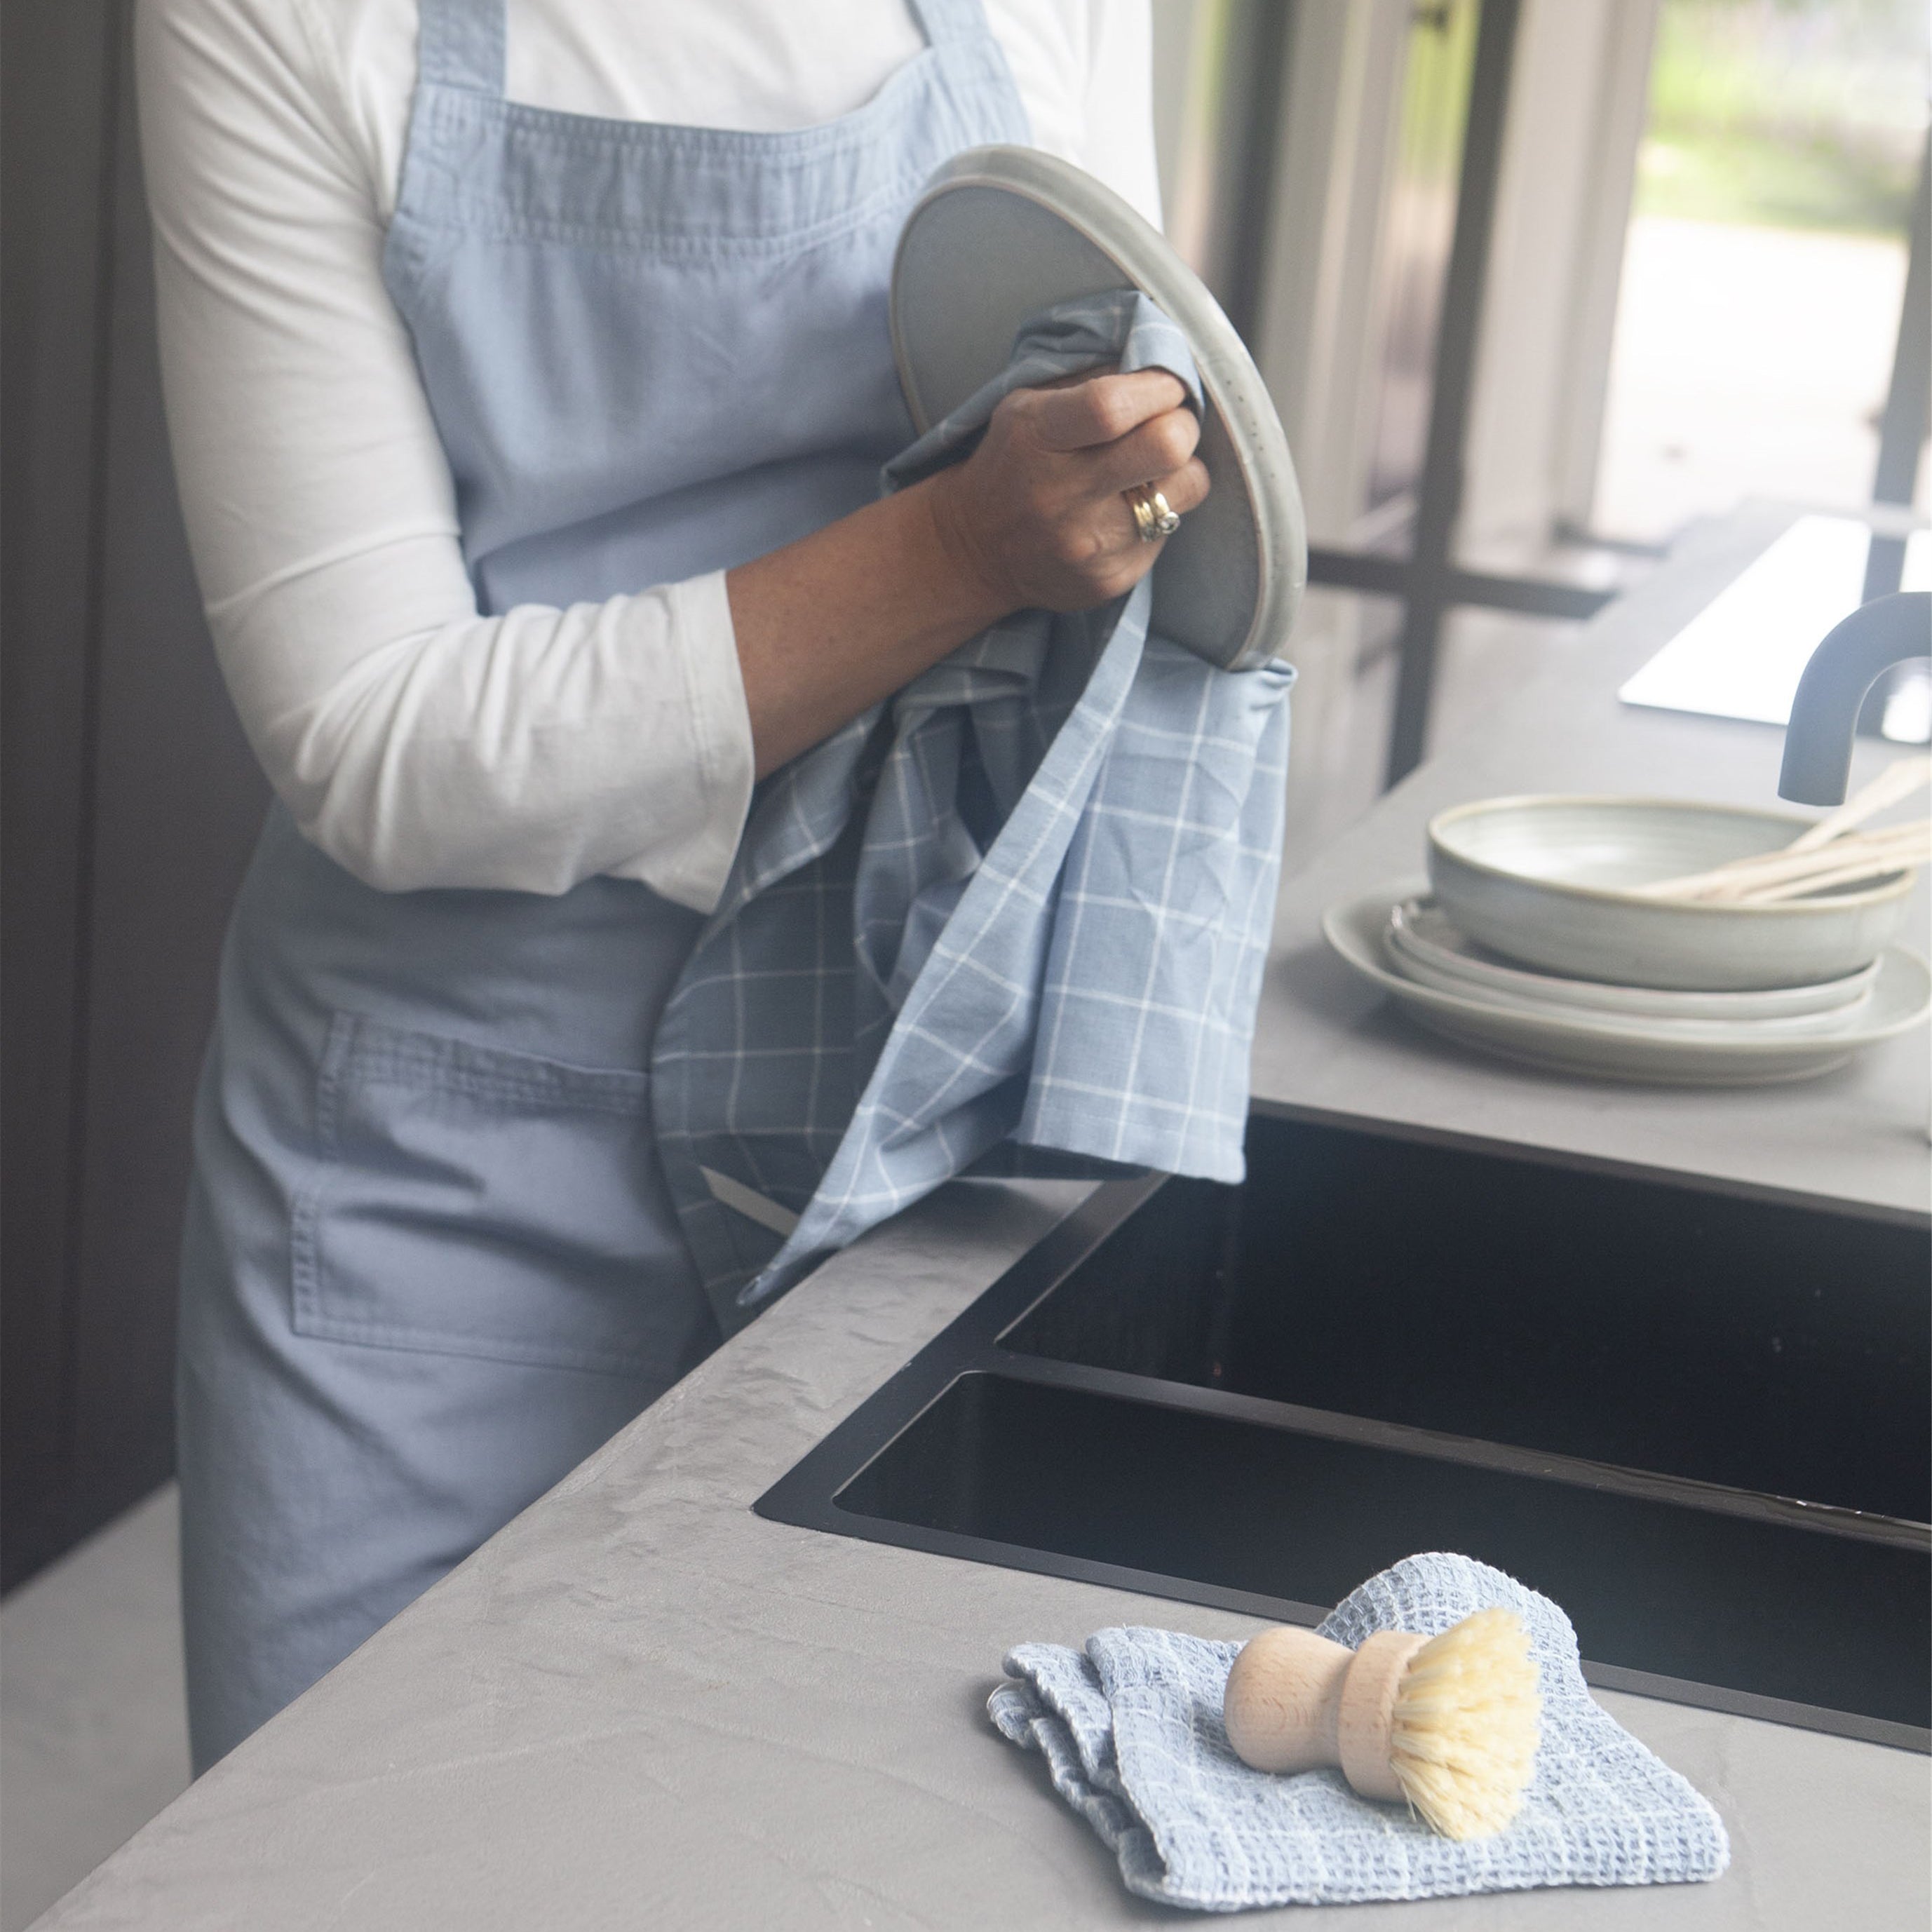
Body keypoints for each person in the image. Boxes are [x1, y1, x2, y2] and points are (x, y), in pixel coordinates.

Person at [137, 0, 1207, 1771]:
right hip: (435, 1172)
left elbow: (1139, 488)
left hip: (909, 1129)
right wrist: (954, 548)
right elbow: (376, 737)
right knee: (349, 1840)